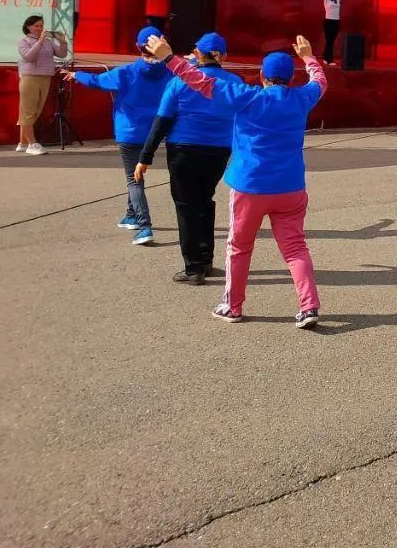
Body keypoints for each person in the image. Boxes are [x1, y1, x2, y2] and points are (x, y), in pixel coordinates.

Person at [147, 31, 327, 329]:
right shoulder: (302, 98)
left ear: (262, 76)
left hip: (251, 186)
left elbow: (201, 82)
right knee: (295, 247)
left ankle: (233, 306)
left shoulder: (248, 98)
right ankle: (309, 306)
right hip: (291, 186)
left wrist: (169, 57)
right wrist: (308, 56)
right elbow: (320, 80)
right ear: (290, 78)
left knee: (239, 247)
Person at [134, 33, 243, 284]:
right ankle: (206, 259)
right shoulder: (234, 82)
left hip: (183, 150)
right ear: (223, 56)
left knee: (186, 207)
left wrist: (145, 156)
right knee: (205, 200)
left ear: (197, 53)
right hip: (218, 151)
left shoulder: (179, 81)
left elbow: (162, 121)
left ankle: (193, 267)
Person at [70, 27, 174, 245]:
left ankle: (145, 226)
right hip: (154, 133)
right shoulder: (170, 72)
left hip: (129, 132)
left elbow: (96, 82)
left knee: (133, 179)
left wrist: (77, 75)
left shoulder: (126, 72)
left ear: (138, 47)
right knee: (136, 173)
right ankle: (131, 215)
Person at [16, 15, 67, 155]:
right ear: (28, 27)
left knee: (35, 111)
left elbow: (62, 54)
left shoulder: (48, 42)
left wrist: (62, 42)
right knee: (28, 110)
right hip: (30, 78)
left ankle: (22, 143)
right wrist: (39, 41)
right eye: (36, 26)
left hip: (45, 78)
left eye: (41, 26)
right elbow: (29, 57)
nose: (40, 28)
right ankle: (32, 144)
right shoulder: (24, 41)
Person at [321, 0, 352, 66]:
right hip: (328, 22)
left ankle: (325, 57)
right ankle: (330, 60)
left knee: (331, 41)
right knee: (329, 41)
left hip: (336, 22)